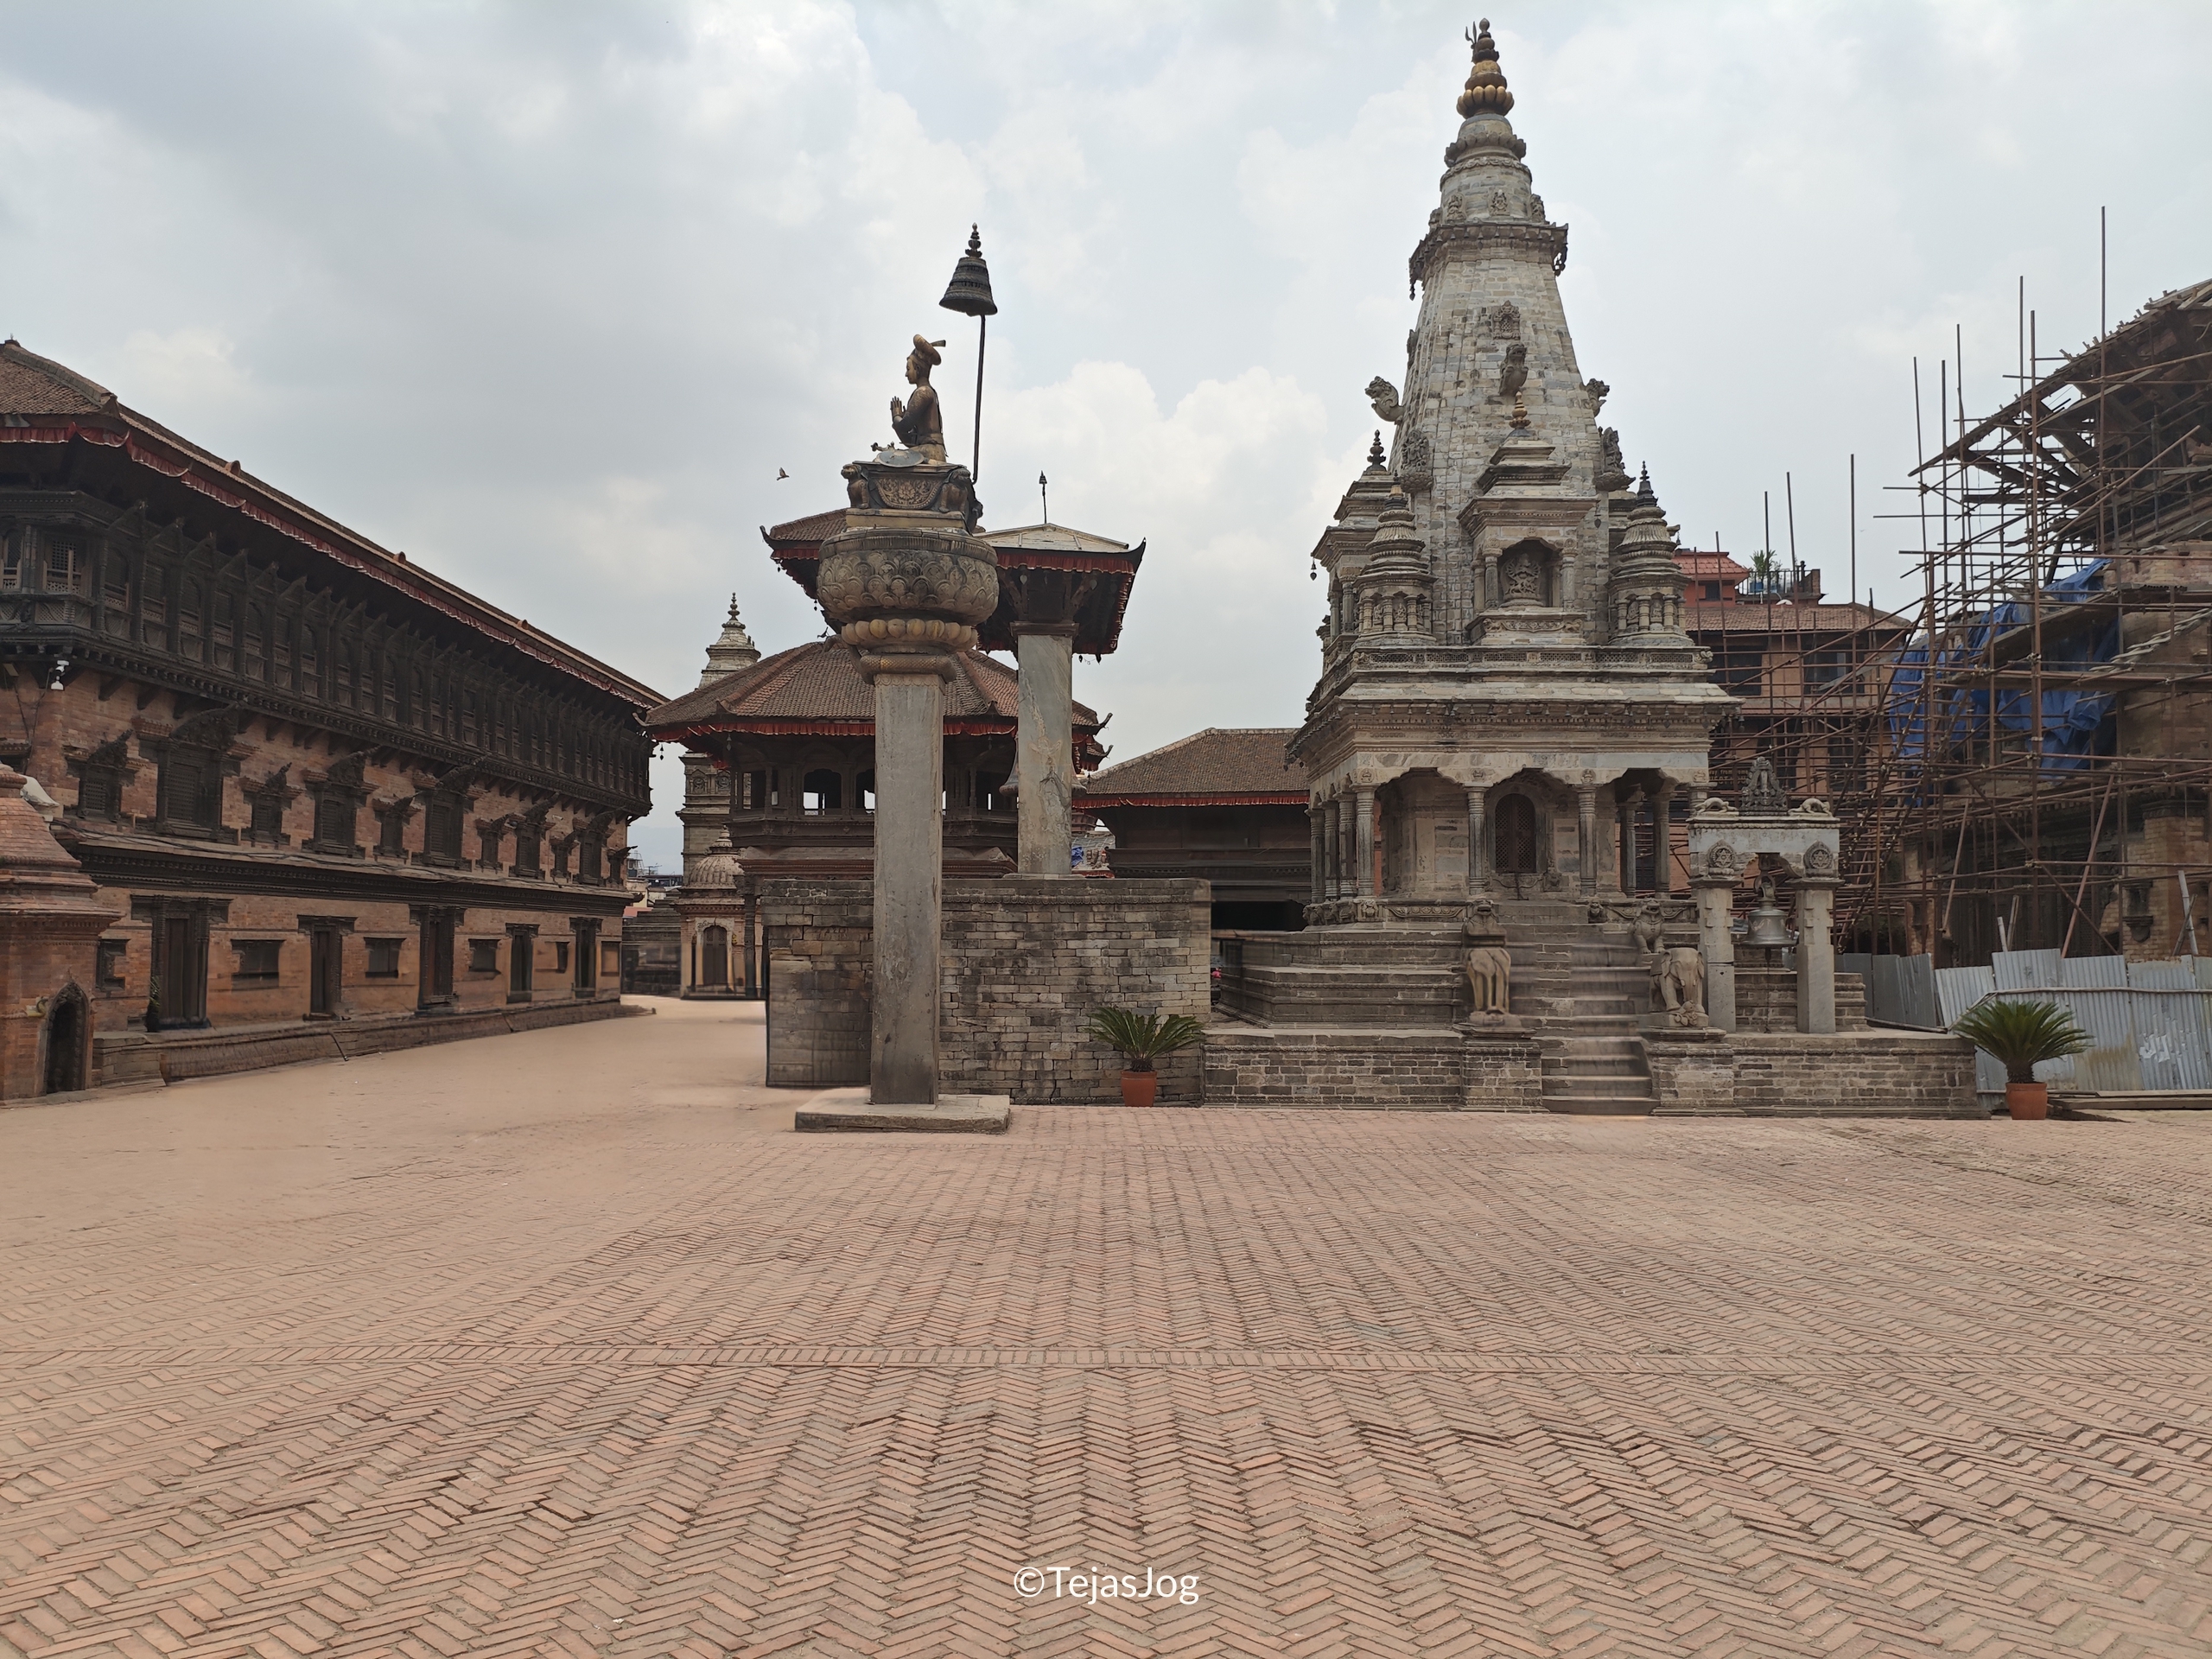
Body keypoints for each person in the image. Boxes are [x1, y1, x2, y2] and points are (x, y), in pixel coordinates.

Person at [891, 335, 947, 461]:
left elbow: (905, 426)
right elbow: (910, 439)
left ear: (917, 369)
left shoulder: (923, 393)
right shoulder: (925, 391)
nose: (906, 374)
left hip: (930, 451)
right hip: (924, 448)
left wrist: (896, 416)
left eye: (908, 369)